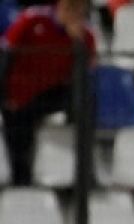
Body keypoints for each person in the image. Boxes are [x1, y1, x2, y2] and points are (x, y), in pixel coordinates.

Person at [0, 0, 95, 185]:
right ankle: (22, 181)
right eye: (71, 8)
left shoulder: (86, 36)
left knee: (86, 100)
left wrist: (77, 44)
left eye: (79, 11)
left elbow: (83, 76)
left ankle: (83, 172)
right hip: (19, 93)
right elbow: (6, 55)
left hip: (53, 92)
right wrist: (4, 96)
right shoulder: (32, 19)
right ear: (61, 6)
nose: (75, 15)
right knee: (18, 125)